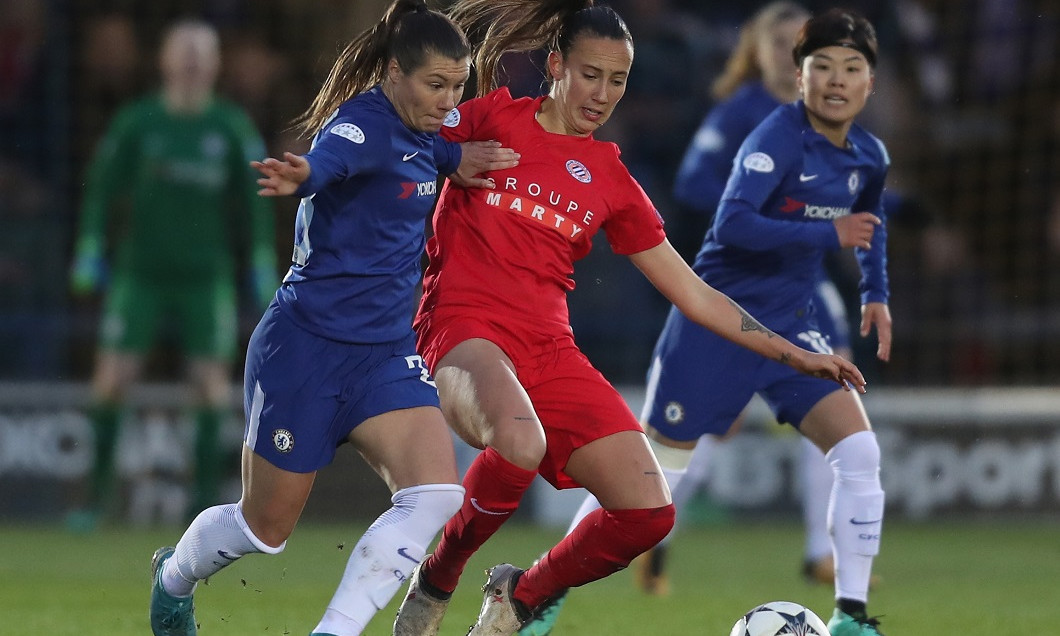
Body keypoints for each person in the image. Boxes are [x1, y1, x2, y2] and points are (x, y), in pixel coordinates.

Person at [389, 3, 867, 636]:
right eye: (591, 74)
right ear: (556, 65)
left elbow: (693, 293)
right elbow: (393, 142)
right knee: (520, 443)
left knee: (649, 513)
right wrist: (442, 161)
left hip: (549, 349)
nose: (603, 94)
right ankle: (438, 577)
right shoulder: (487, 117)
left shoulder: (611, 178)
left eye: (617, 80)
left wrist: (794, 354)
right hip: (461, 328)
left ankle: (522, 596)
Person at [146, 3, 520, 635]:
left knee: (436, 493)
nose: (449, 102)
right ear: (394, 73)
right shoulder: (359, 127)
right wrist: (304, 173)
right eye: (436, 86)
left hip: (382, 354)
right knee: (264, 530)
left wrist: (460, 159)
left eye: (458, 87)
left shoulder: (432, 131)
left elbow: (428, 155)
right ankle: (174, 575)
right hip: (304, 351)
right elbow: (333, 163)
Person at [532, 8, 893, 636]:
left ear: (868, 83)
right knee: (650, 478)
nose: (833, 78)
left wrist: (877, 293)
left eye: (850, 68)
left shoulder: (867, 151)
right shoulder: (764, 130)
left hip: (795, 318)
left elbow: (869, 225)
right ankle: (543, 593)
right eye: (817, 62)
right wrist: (822, 229)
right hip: (719, 319)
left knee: (859, 450)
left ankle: (852, 616)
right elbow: (728, 221)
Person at [637, 0, 848, 595]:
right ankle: (650, 535)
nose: (791, 51)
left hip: (799, 284)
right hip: (738, 289)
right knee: (705, 430)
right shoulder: (743, 112)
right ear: (757, 51)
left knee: (834, 400)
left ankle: (821, 553)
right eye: (779, 41)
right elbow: (693, 182)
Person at [67, 19, 277, 530]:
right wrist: (90, 246)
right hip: (141, 274)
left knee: (208, 386)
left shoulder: (229, 127)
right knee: (112, 379)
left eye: (200, 53)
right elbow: (101, 188)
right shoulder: (138, 123)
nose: (190, 61)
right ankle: (96, 501)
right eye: (182, 51)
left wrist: (262, 259)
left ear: (215, 65)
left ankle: (201, 504)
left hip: (205, 277)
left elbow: (254, 201)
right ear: (163, 60)